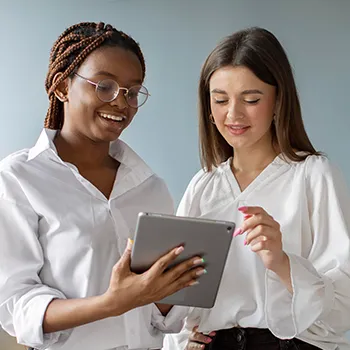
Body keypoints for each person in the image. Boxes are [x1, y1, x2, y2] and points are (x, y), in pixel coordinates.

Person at [0, 22, 206, 350]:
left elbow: (163, 319)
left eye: (132, 92)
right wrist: (111, 302)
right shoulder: (19, 178)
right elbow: (17, 305)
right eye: (105, 86)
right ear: (62, 87)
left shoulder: (150, 187)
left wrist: (168, 290)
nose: (121, 103)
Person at [164, 27, 350, 350]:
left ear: (279, 100)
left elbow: (344, 306)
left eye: (251, 99)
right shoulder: (203, 186)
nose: (233, 114)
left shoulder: (313, 176)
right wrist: (183, 341)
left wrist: (282, 262)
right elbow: (178, 303)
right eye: (220, 100)